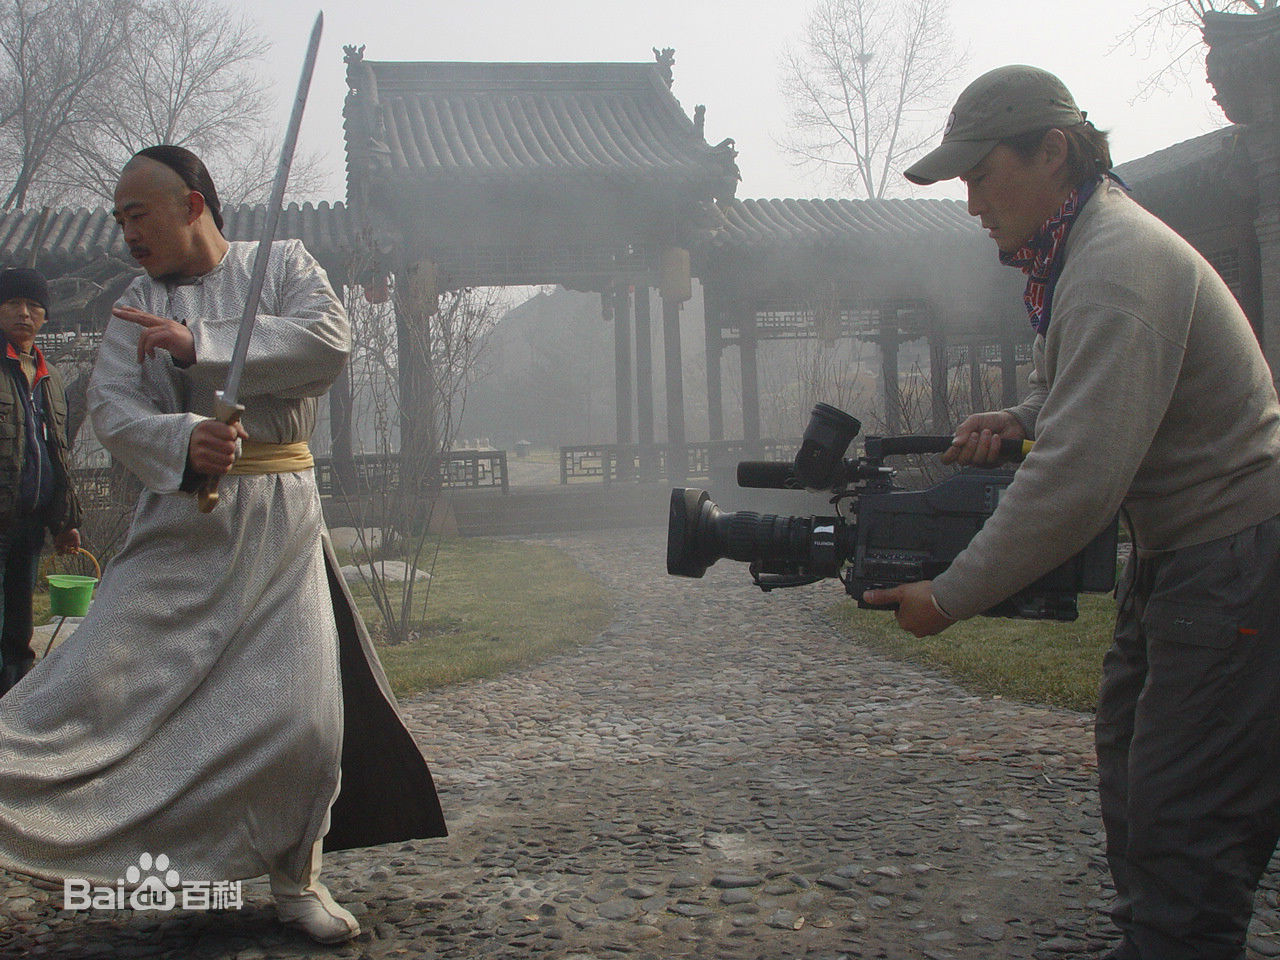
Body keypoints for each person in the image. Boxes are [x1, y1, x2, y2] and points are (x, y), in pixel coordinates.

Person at [864, 65, 1280, 960]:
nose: (971, 202)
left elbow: (1077, 480)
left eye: (981, 174)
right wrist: (1019, 420)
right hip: (1184, 555)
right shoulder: (1081, 249)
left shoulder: (1115, 266)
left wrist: (951, 594)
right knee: (1135, 765)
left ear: (1052, 151)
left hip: (1234, 558)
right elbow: (1092, 405)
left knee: (1188, 810)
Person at [0, 146, 446, 944]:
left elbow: (329, 341)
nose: (126, 231)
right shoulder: (131, 303)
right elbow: (111, 406)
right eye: (118, 218)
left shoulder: (284, 261)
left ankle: (294, 878)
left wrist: (194, 342)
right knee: (89, 686)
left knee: (305, 717)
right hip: (184, 528)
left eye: (139, 213)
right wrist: (184, 438)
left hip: (282, 516)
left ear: (193, 204)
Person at [0, 266, 81, 696]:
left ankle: (14, 703)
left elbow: (58, 456)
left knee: (19, 621)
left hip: (29, 521)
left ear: (45, 317)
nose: (24, 314)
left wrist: (65, 519)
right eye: (13, 303)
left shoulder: (50, 378)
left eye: (34, 306)